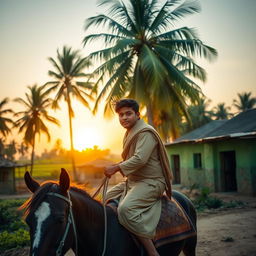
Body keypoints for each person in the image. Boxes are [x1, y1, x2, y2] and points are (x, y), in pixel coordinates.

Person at [104, 99, 172, 256]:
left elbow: (140, 158)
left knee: (125, 209)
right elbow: (132, 158)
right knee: (104, 199)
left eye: (128, 114)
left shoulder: (145, 132)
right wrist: (118, 166)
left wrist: (116, 168)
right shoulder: (129, 132)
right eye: (121, 115)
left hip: (151, 182)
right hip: (133, 182)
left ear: (137, 114)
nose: (124, 118)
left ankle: (152, 251)